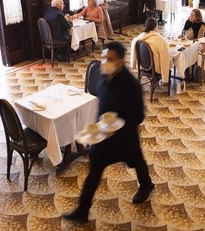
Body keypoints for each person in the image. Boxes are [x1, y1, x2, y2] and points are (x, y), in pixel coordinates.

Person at [62, 41, 154, 222]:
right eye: (104, 57)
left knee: (136, 161)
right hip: (104, 138)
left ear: (120, 61)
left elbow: (138, 116)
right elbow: (101, 103)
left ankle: (146, 184)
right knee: (94, 171)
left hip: (125, 138)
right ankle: (82, 210)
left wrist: (117, 126)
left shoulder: (131, 85)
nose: (104, 61)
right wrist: (96, 128)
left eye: (109, 59)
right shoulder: (104, 75)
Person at [129, 17, 171, 83]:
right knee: (169, 58)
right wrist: (165, 78)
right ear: (155, 27)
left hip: (142, 66)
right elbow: (164, 59)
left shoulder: (139, 38)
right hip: (155, 69)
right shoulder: (160, 40)